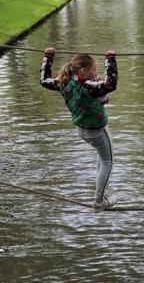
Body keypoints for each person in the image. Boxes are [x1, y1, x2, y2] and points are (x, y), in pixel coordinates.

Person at [40, 46, 118, 211]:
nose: (95, 74)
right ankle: (99, 201)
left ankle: (103, 193)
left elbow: (44, 80)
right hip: (98, 130)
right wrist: (110, 61)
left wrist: (48, 57)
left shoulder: (64, 81)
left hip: (82, 130)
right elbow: (110, 84)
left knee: (102, 157)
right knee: (108, 162)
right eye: (93, 70)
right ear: (82, 71)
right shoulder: (88, 87)